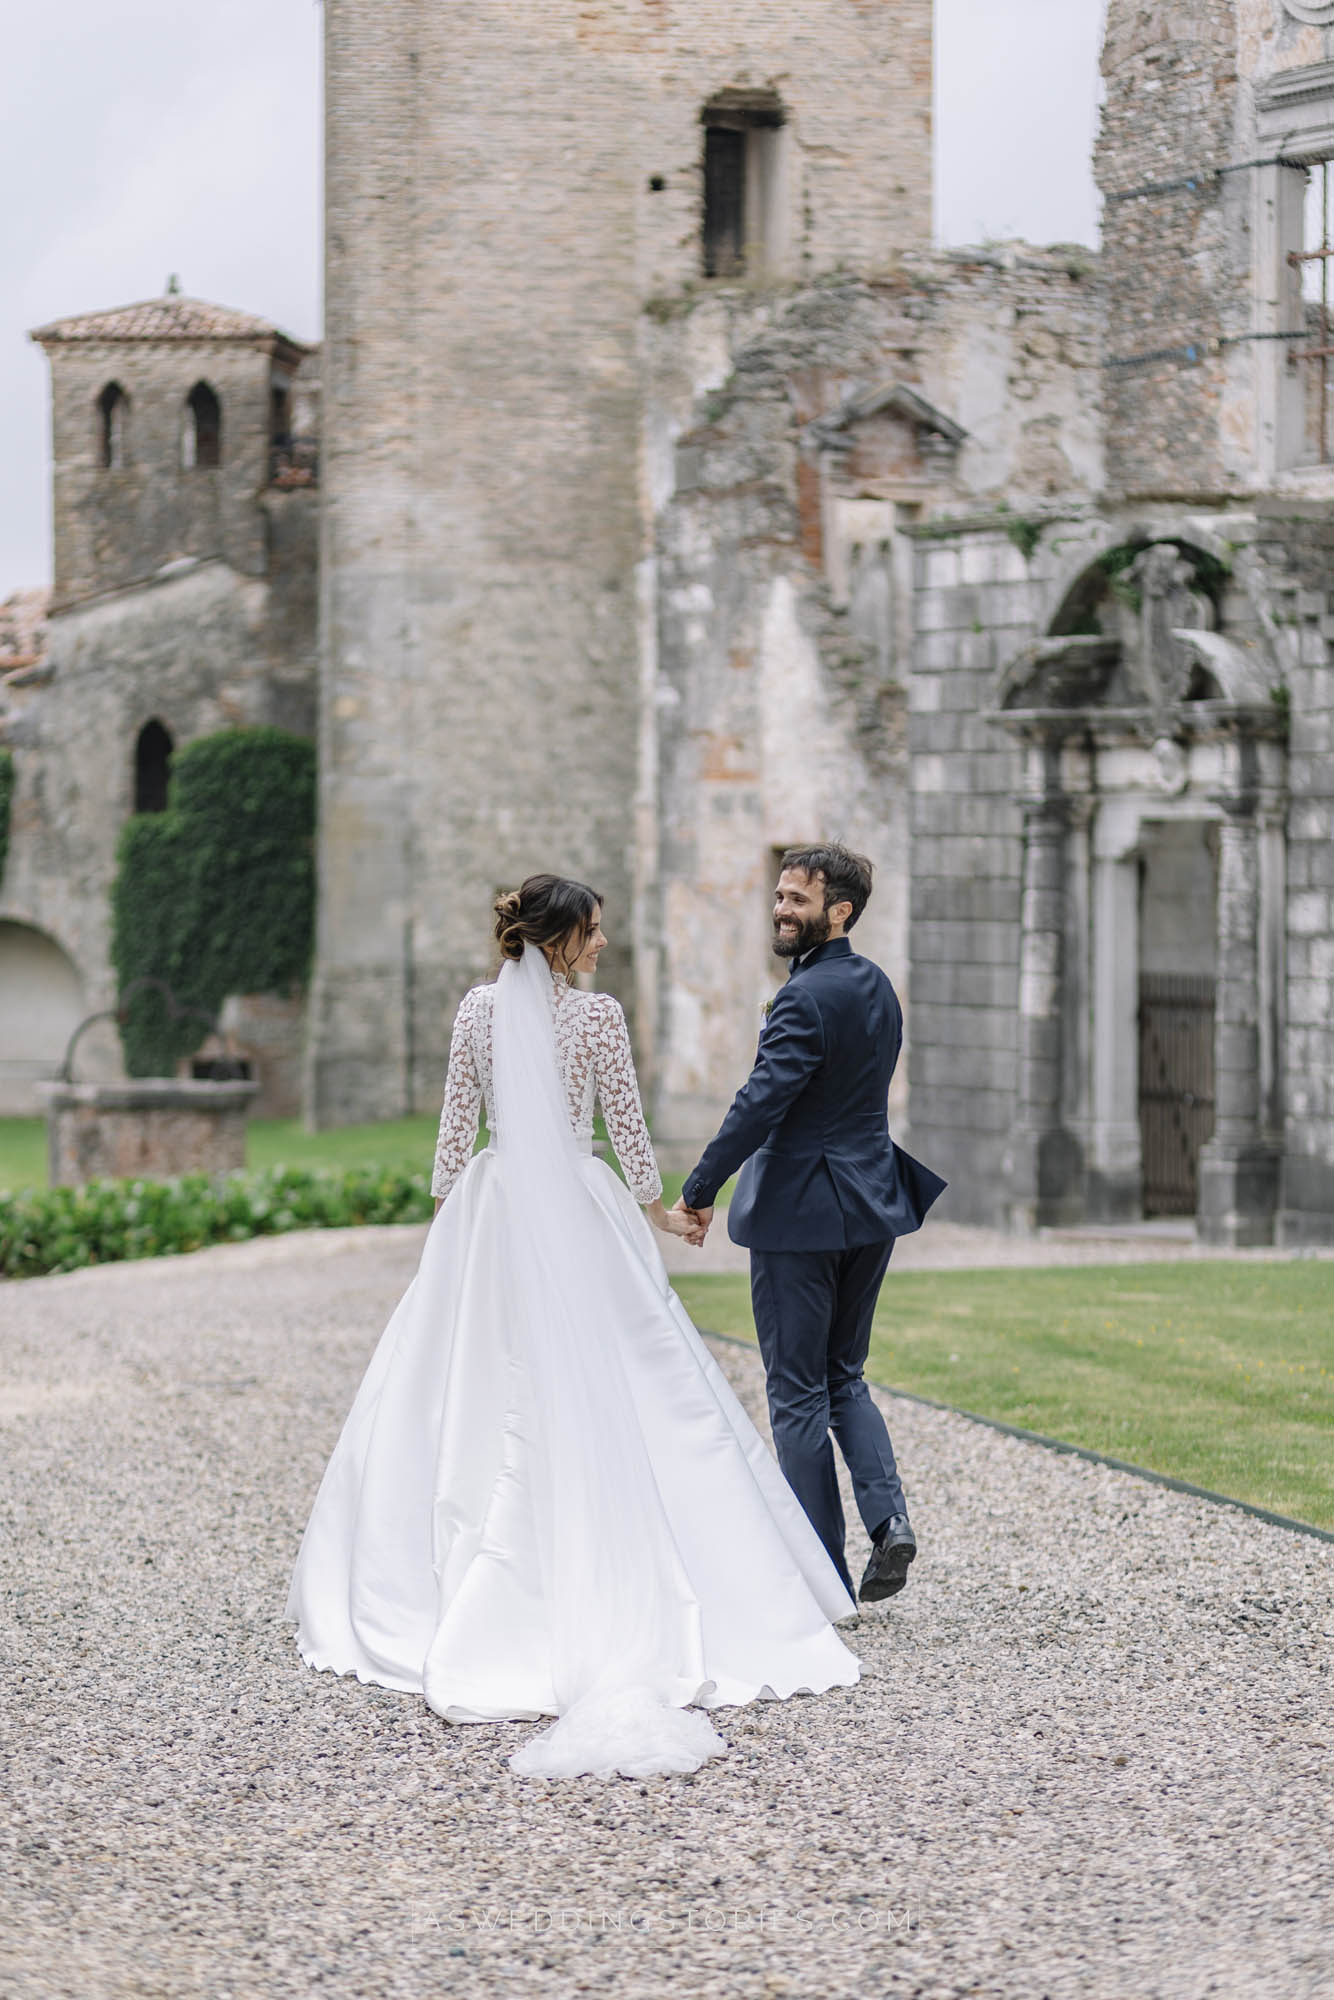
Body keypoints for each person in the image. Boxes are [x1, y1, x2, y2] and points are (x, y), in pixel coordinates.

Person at [285, 873, 860, 1781]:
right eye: (593, 932)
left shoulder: (476, 1010)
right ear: (562, 940)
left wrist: (452, 1222)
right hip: (577, 1209)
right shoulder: (599, 1020)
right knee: (640, 1382)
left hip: (498, 1203)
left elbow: (455, 1129)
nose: (602, 945)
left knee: (468, 1382)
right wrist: (665, 1210)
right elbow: (625, 1130)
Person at [675, 844, 946, 1606]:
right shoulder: (878, 987)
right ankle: (889, 1519)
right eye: (781, 896)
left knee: (796, 1392)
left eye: (798, 900)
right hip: (873, 1203)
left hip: (803, 1211)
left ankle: (820, 1578)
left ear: (841, 912)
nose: (781, 909)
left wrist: (699, 1189)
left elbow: (762, 1102)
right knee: (844, 1376)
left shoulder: (801, 999)